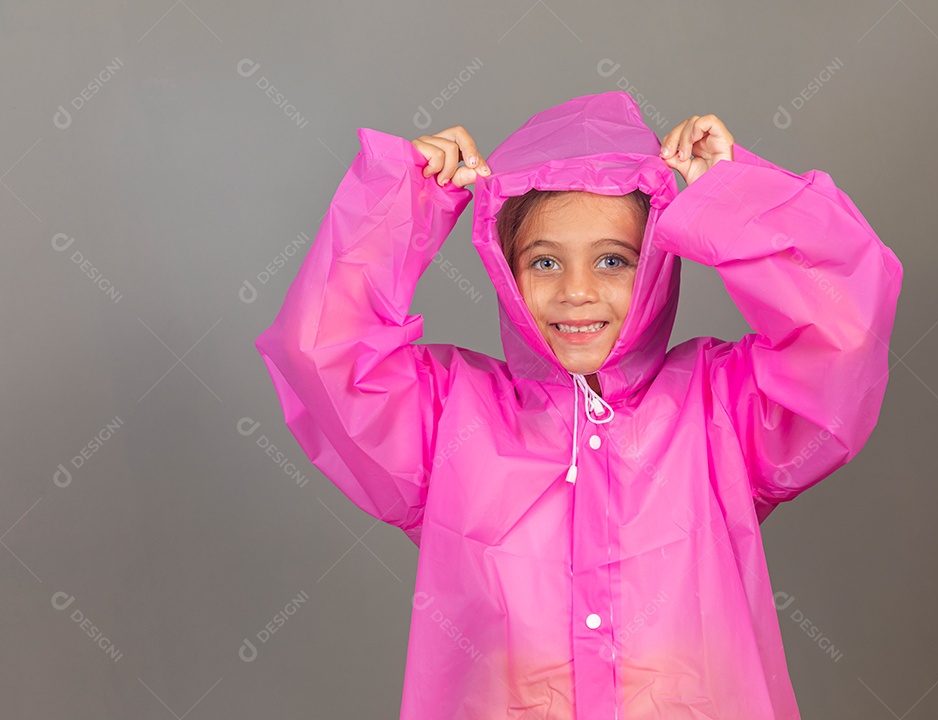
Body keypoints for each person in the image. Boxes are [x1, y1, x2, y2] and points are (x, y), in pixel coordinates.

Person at [254, 91, 903, 719]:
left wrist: (734, 196)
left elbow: (842, 334)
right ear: (505, 270)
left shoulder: (719, 411)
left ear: (655, 264)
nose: (577, 292)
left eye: (613, 261)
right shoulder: (448, 418)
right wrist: (401, 204)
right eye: (544, 263)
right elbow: (322, 351)